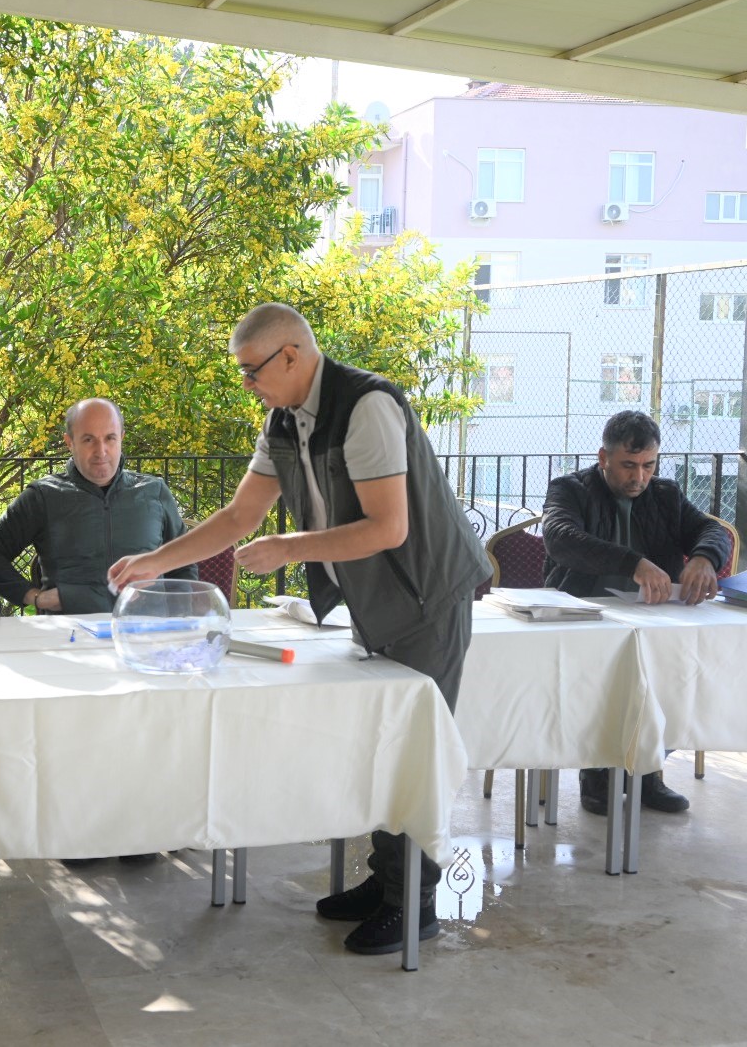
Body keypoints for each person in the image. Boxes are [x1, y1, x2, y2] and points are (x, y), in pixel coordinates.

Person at [109, 304, 490, 956]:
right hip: (377, 603)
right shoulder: (283, 421)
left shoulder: (367, 406)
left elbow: (389, 527)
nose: (248, 384)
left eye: (252, 371)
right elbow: (239, 516)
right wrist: (154, 562)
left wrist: (290, 548)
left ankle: (414, 904)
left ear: (291, 355)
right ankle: (388, 882)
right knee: (383, 742)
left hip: (429, 599)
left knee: (413, 748)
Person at [543, 409, 730, 816]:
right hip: (586, 618)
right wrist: (633, 563)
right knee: (602, 688)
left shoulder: (665, 495)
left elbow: (712, 530)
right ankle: (598, 774)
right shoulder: (569, 489)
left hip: (654, 620)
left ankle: (647, 771)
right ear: (603, 457)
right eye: (628, 465)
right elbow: (560, 538)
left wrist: (704, 557)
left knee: (685, 681)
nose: (639, 477)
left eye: (649, 466)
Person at [0, 397, 196, 616]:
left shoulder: (154, 491)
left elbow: (183, 563)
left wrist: (180, 620)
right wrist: (33, 596)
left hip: (147, 628)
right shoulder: (43, 496)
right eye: (88, 440)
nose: (101, 451)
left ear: (121, 438)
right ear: (69, 442)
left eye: (110, 438)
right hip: (68, 631)